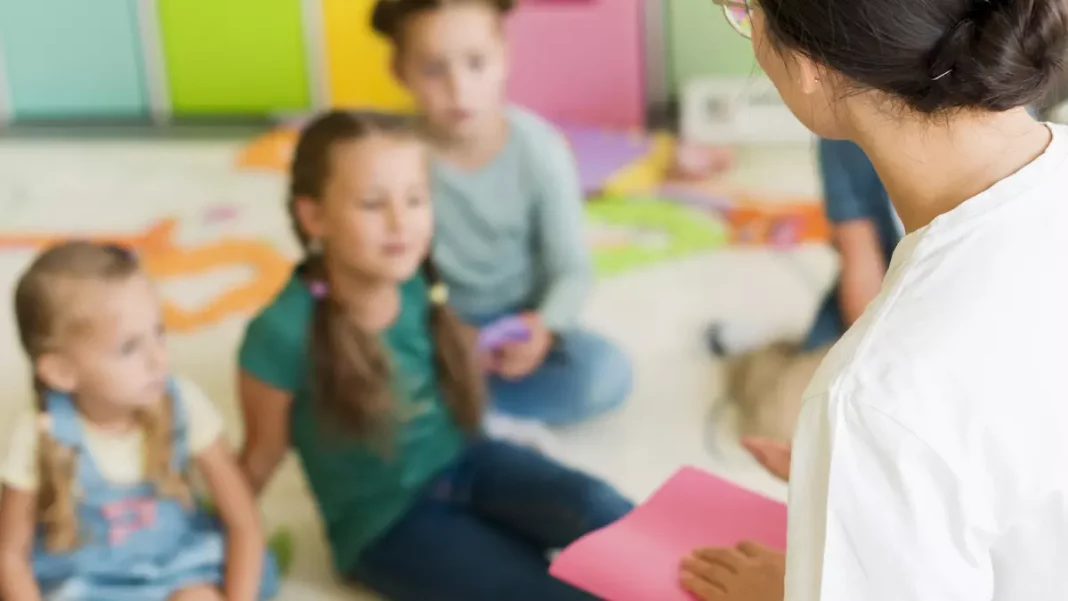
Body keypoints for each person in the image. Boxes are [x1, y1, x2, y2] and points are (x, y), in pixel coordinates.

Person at [686, 0, 1068, 599]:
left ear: (812, 63)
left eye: (745, 10)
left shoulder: (875, 396)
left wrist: (802, 584)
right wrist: (875, 493)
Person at [235, 111, 634, 601]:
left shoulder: (414, 277)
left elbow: (437, 346)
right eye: (372, 204)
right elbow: (259, 456)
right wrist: (208, 533)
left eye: (416, 199)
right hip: (387, 524)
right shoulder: (278, 333)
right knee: (533, 589)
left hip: (466, 458)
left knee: (602, 511)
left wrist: (492, 348)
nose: (401, 223)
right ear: (314, 216)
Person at [370, 0, 632, 427]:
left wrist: (542, 326)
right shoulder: (395, 160)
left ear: (504, 57)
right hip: (434, 328)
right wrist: (445, 335)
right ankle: (453, 399)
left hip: (520, 324)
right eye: (434, 70)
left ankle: (466, 406)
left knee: (605, 374)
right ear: (400, 72)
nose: (459, 89)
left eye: (476, 63)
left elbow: (572, 270)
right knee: (357, 365)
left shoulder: (539, 149)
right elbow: (387, 278)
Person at [0, 242, 278, 601]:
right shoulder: (43, 433)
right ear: (62, 371)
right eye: (129, 348)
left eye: (159, 332)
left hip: (178, 563)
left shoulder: (184, 405)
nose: (158, 359)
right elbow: (10, 556)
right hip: (88, 580)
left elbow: (244, 523)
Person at [708, 138, 900, 442]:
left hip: (963, 328)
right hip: (880, 321)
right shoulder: (843, 127)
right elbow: (859, 254)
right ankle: (766, 357)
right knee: (786, 425)